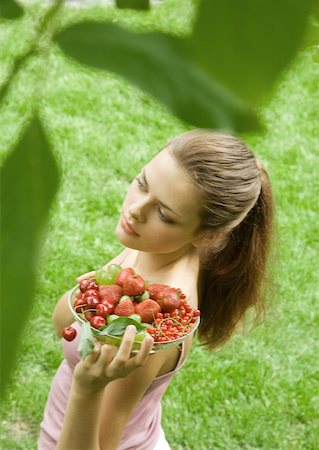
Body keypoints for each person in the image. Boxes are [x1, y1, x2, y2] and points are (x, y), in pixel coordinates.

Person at [38, 129, 274, 450]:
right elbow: (63, 324)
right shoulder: (151, 248)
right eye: (141, 183)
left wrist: (86, 389)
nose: (136, 209)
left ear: (206, 236)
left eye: (163, 213)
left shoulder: (158, 318)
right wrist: (89, 294)